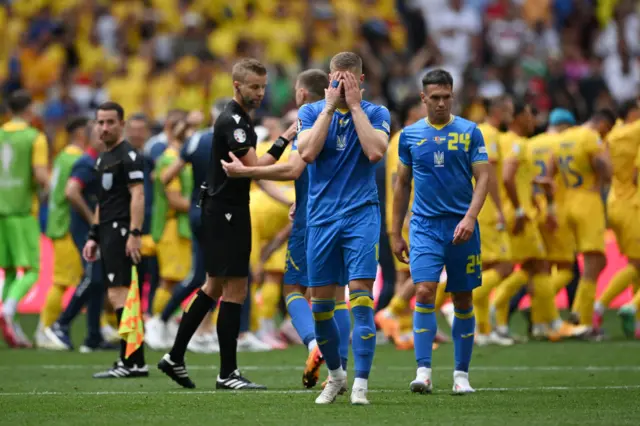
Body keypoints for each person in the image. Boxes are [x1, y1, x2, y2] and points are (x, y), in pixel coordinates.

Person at [158, 58, 295, 390]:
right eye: (254, 87)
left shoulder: (239, 120)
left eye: (263, 87)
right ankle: (226, 373)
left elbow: (252, 169)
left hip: (223, 210)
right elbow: (256, 168)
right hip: (226, 212)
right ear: (237, 86)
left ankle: (175, 357)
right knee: (233, 289)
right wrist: (286, 139)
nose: (260, 93)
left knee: (214, 287)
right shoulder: (234, 122)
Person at [221, 69, 351, 390]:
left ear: (304, 94)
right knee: (337, 297)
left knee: (293, 290)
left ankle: (313, 345)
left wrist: (246, 171)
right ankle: (341, 372)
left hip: (313, 219)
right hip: (348, 218)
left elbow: (295, 167)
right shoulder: (352, 121)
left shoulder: (310, 118)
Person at [297, 52, 390, 405]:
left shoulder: (377, 113)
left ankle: (362, 385)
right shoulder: (309, 112)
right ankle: (336, 376)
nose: (340, 86)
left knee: (362, 299)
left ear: (360, 81)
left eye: (347, 80)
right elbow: (306, 154)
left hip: (360, 215)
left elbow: (375, 152)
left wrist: (354, 107)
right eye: (335, 79)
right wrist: (328, 107)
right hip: (320, 218)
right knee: (320, 307)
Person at [391, 69, 489, 394]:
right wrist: (394, 231)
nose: (442, 103)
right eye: (435, 98)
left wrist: (471, 218)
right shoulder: (409, 136)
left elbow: (484, 177)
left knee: (462, 297)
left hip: (462, 227)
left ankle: (461, 376)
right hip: (425, 227)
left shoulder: (470, 131)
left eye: (447, 97)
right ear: (423, 99)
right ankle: (423, 372)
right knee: (423, 291)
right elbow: (402, 183)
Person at [83, 101, 148, 378]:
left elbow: (138, 194)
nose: (105, 127)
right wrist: (93, 235)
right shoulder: (102, 158)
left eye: (110, 122)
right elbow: (103, 202)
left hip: (122, 231)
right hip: (108, 232)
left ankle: (129, 361)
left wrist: (134, 233)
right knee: (119, 295)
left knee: (121, 294)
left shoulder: (128, 156)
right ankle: (136, 361)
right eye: (101, 122)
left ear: (121, 124)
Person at [44, 122, 118, 352]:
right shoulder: (86, 162)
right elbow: (71, 192)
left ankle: (93, 337)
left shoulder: (100, 161)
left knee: (98, 283)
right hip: (85, 230)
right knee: (94, 278)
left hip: (93, 229)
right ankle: (60, 325)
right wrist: (91, 219)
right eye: (99, 135)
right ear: (89, 138)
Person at [543, 108, 616, 333]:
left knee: (595, 262)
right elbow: (604, 166)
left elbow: (547, 174)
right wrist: (604, 180)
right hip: (588, 202)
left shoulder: (560, 139)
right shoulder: (590, 137)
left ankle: (571, 309)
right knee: (593, 263)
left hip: (566, 205)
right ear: (601, 123)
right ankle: (583, 320)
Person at [0, 90, 49, 348]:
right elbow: (40, 174)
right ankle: (7, 311)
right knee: (32, 271)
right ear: (29, 109)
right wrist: (54, 188)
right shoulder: (34, 137)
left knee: (7, 271)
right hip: (23, 211)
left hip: (1, 210)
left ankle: (8, 318)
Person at [37, 117, 90, 346]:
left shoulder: (62, 155)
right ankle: (46, 329)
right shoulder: (76, 158)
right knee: (62, 281)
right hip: (67, 225)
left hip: (59, 221)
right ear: (80, 133)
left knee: (78, 279)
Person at [593, 100, 640, 332]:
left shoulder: (615, 132)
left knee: (635, 262)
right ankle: (600, 307)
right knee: (636, 263)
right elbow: (637, 175)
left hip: (613, 202)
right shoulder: (637, 130)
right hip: (633, 204)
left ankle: (637, 320)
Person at [473, 96, 514, 346]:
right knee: (505, 266)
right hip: (487, 209)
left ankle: (484, 330)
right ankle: (458, 301)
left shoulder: (479, 131)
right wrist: (500, 208)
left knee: (486, 268)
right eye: (508, 110)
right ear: (498, 111)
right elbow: (489, 176)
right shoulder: (489, 134)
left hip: (478, 207)